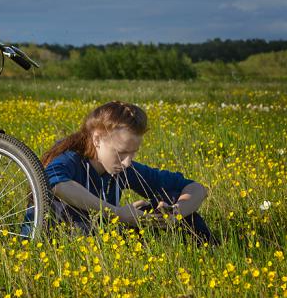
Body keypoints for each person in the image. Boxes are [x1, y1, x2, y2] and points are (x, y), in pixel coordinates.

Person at [41, 101, 217, 245]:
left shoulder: (123, 168)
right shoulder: (70, 159)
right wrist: (117, 213)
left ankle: (209, 250)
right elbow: (56, 184)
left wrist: (175, 213)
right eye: (122, 152)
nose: (127, 162)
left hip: (102, 238)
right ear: (97, 139)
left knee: (170, 199)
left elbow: (196, 188)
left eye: (133, 153)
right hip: (59, 242)